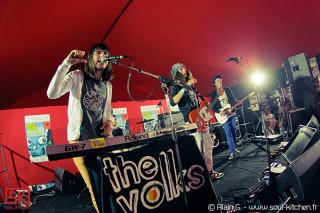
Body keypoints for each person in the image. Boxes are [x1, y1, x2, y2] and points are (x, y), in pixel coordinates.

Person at [47, 43, 115, 213]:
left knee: (114, 183)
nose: (102, 56)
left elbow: (107, 113)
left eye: (105, 53)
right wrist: (66, 64)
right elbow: (52, 93)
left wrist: (110, 123)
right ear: (91, 57)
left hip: (102, 142)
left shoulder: (107, 86)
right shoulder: (77, 76)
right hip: (80, 142)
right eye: (98, 53)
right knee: (95, 187)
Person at [169, 63, 224, 181]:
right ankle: (198, 173)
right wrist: (184, 87)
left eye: (184, 67)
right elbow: (173, 102)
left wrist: (205, 105)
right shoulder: (175, 86)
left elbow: (196, 102)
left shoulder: (192, 86)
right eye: (180, 68)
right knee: (197, 147)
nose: (183, 69)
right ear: (176, 72)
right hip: (190, 119)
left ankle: (209, 170)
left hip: (200, 117)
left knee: (208, 145)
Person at [211, 75, 240, 160]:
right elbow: (213, 106)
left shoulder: (227, 89)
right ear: (214, 84)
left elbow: (233, 100)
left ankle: (234, 148)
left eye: (220, 79)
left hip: (231, 113)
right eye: (217, 81)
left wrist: (236, 103)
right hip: (222, 115)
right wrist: (219, 111)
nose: (219, 81)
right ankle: (231, 151)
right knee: (228, 132)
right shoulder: (214, 93)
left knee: (233, 130)